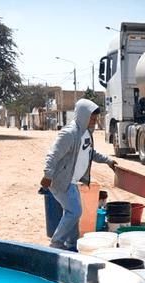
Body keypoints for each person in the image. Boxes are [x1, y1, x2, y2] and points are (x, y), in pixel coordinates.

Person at [40, 98, 117, 251]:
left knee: (73, 212)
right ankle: (56, 245)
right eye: (92, 118)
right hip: (60, 179)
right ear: (83, 115)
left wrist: (108, 161)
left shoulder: (86, 133)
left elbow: (90, 152)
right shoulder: (69, 133)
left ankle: (72, 245)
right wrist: (47, 174)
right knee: (74, 211)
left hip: (72, 180)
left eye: (95, 119)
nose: (94, 122)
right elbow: (52, 155)